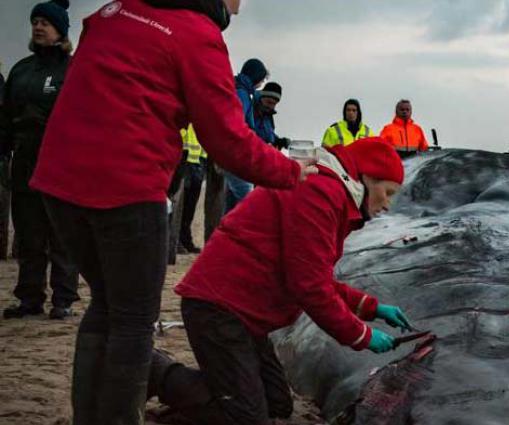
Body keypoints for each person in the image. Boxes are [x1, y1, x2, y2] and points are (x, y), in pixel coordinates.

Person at [28, 0, 317, 423]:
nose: (238, 7)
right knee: (131, 321)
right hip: (126, 187)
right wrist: (292, 173)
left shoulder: (114, 12)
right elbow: (228, 140)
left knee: (106, 305)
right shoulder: (198, 35)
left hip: (58, 181)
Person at [147, 138, 411, 425]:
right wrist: (362, 336)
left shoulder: (333, 194)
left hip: (246, 316)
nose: (388, 204)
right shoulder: (321, 193)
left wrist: (371, 308)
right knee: (248, 417)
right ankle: (154, 370)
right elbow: (309, 286)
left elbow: (310, 273)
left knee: (278, 404)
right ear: (366, 178)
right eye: (387, 192)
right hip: (220, 307)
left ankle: (204, 401)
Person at [1, 0, 80, 321]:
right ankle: (29, 297)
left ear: (60, 29)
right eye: (35, 21)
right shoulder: (20, 70)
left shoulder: (74, 68)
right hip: (24, 162)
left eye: (45, 22)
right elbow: (5, 117)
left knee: (61, 235)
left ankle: (63, 298)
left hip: (62, 163)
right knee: (29, 233)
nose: (38, 26)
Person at [225, 58, 270, 212]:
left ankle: (224, 232)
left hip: (233, 153)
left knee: (232, 201)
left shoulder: (241, 89)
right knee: (248, 202)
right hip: (238, 154)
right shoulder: (242, 93)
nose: (261, 84)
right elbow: (238, 122)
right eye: (261, 80)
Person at [179, 124, 207, 254]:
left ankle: (185, 238)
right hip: (185, 160)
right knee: (182, 205)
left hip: (198, 161)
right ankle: (178, 240)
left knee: (190, 206)